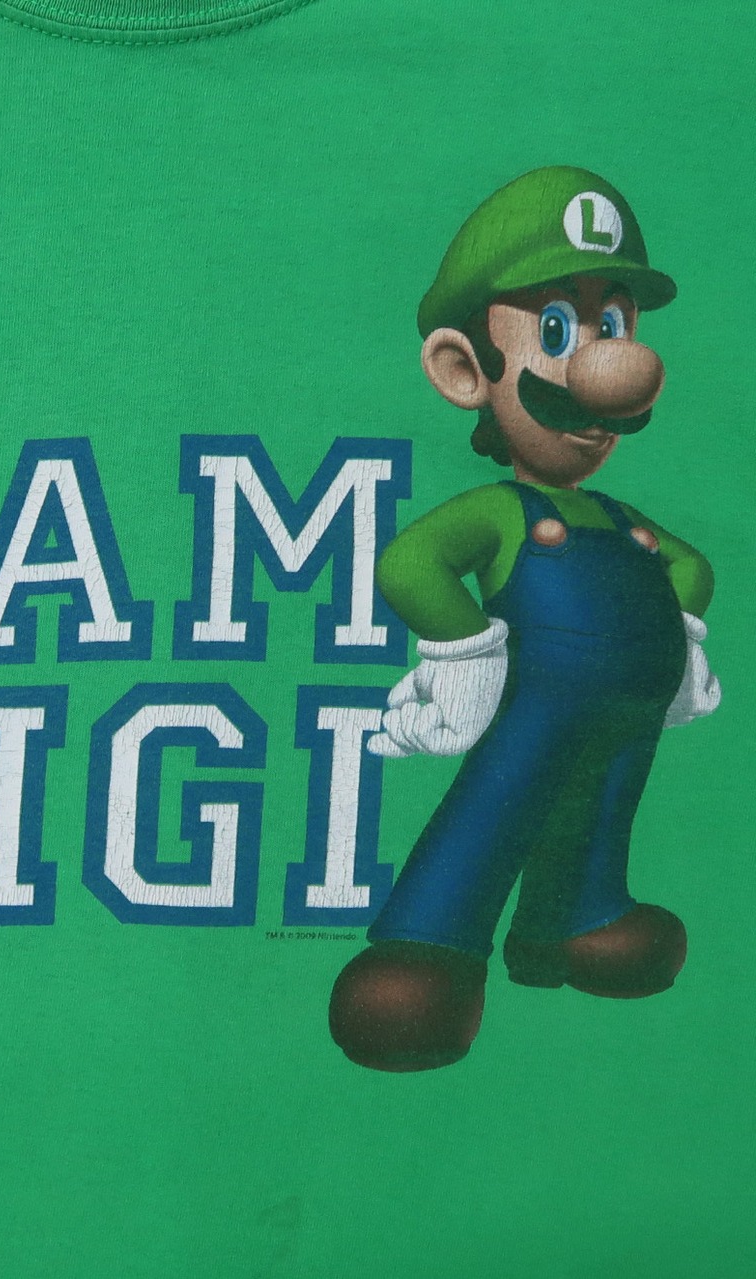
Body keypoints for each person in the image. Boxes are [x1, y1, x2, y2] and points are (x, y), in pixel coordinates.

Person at [328, 166, 722, 1073]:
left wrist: (681, 641)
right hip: (534, 705)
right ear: (466, 369)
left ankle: (574, 919)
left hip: (629, 713)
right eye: (557, 327)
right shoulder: (506, 511)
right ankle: (428, 945)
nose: (609, 362)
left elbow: (694, 567)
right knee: (496, 805)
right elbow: (411, 562)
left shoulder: (625, 520)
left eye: (613, 324)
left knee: (607, 804)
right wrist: (465, 650)